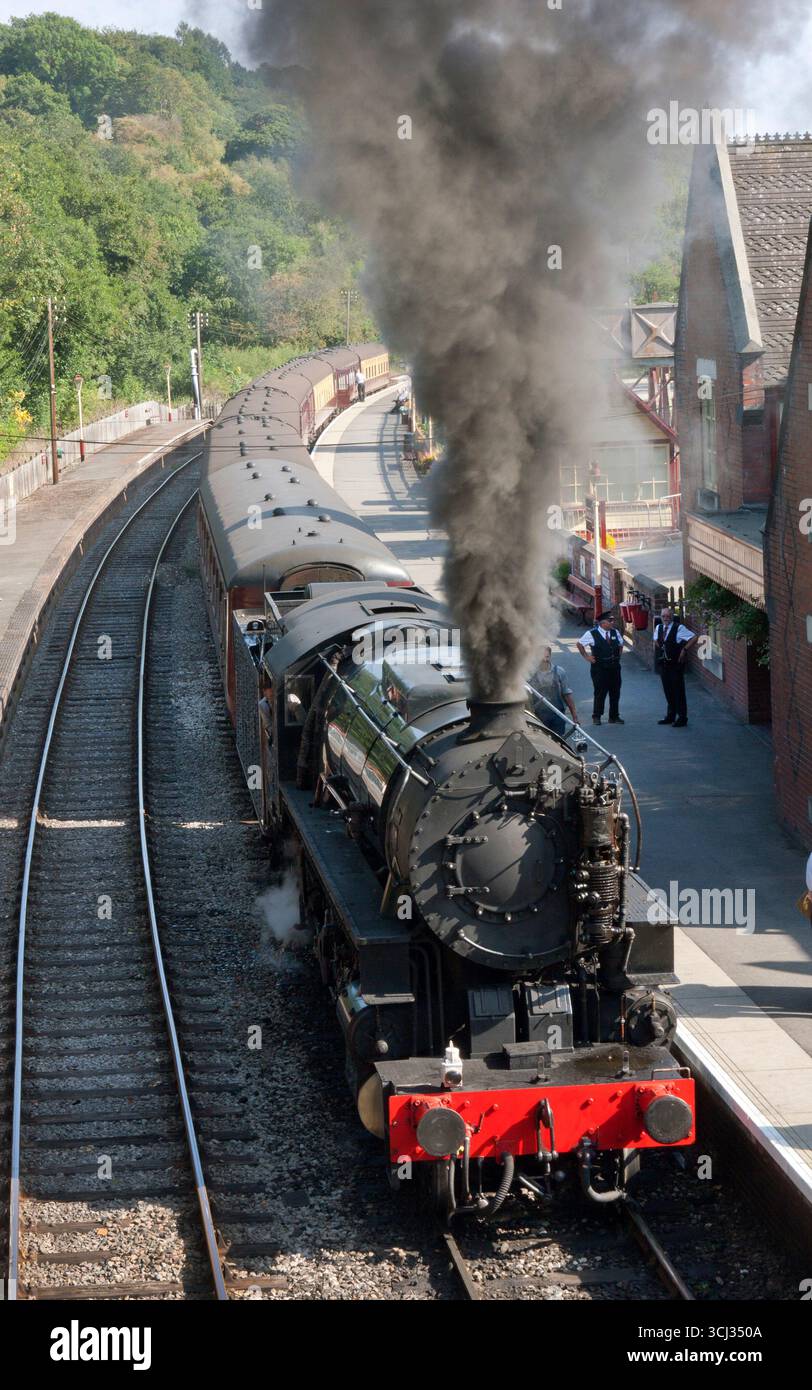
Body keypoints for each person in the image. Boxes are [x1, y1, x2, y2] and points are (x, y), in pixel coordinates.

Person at [577, 609, 624, 725]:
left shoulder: (615, 632)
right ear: (602, 623)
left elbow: (620, 645)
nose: (613, 622)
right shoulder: (591, 633)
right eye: (610, 620)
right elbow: (579, 644)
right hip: (600, 669)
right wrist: (587, 657)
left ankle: (614, 716)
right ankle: (596, 716)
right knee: (600, 692)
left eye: (613, 620)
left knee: (615, 692)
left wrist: (617, 657)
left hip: (614, 668)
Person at [653, 606, 697, 727]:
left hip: (675, 665)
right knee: (668, 690)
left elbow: (694, 637)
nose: (666, 618)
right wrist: (662, 647)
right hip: (664, 664)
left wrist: (684, 650)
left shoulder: (679, 628)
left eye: (668, 616)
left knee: (678, 691)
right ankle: (670, 715)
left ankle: (682, 717)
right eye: (663, 616)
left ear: (672, 617)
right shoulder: (659, 627)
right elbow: (656, 639)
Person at [530, 646, 579, 737]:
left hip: (557, 715)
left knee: (558, 741)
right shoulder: (531, 674)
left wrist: (574, 716)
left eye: (547, 657)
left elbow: (567, 694)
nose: (544, 660)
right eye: (541, 657)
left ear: (550, 656)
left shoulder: (559, 672)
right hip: (538, 716)